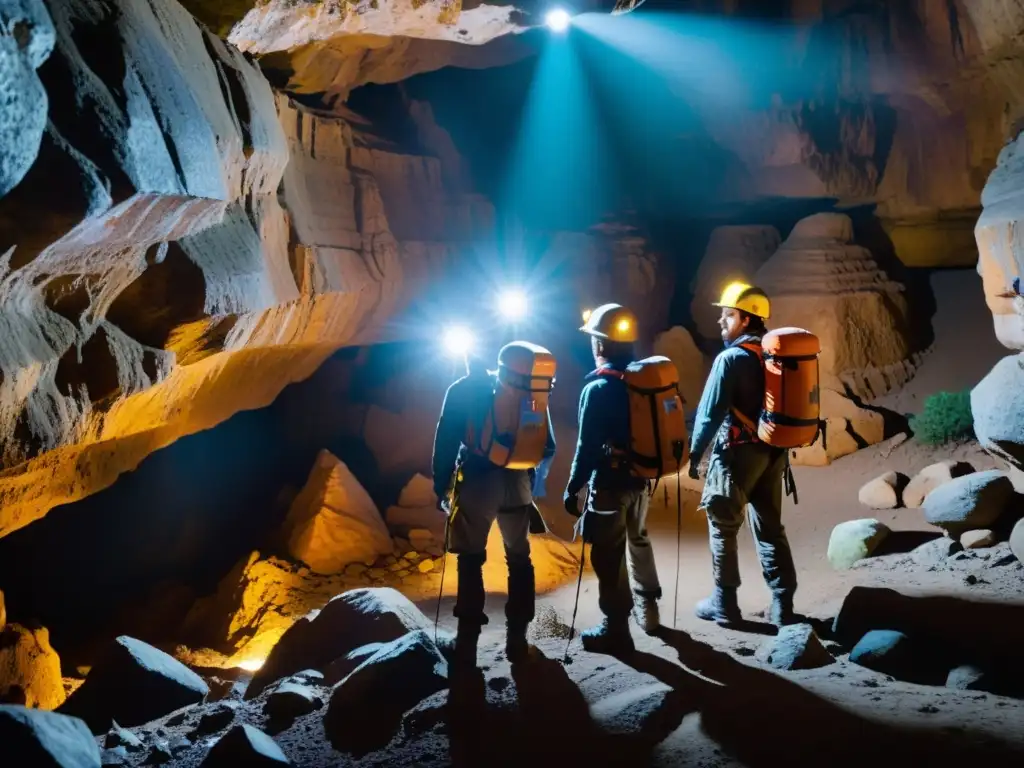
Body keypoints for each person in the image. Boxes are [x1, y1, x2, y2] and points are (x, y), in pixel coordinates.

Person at [431, 349, 556, 666]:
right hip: (518, 484)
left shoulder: (462, 388)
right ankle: (517, 637)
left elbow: (445, 440)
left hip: (478, 482)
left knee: (471, 558)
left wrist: (440, 486)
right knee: (519, 557)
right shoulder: (530, 390)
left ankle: (467, 642)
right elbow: (549, 445)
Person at [686, 282, 798, 628]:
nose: (721, 322)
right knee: (769, 529)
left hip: (736, 456)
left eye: (728, 315)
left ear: (747, 320)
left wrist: (693, 455)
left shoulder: (730, 359)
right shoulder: (775, 356)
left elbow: (709, 413)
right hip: (774, 454)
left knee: (722, 527)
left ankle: (725, 604)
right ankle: (782, 603)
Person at [563, 303, 662, 655]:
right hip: (641, 482)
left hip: (610, 485)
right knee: (639, 540)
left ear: (600, 346)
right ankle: (650, 612)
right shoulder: (644, 381)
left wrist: (573, 486)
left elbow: (586, 447)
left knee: (608, 554)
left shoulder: (598, 390)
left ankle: (616, 627)